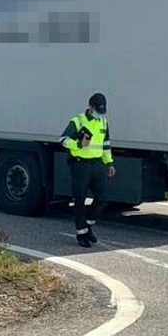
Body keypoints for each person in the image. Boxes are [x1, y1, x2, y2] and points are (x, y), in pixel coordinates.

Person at [60, 92, 116, 247]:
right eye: (97, 109)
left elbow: (106, 145)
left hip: (97, 164)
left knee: (102, 197)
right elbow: (63, 140)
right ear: (90, 107)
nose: (99, 113)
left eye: (102, 110)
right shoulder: (78, 121)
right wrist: (78, 144)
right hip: (80, 164)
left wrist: (109, 163)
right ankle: (81, 233)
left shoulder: (103, 122)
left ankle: (88, 226)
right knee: (80, 199)